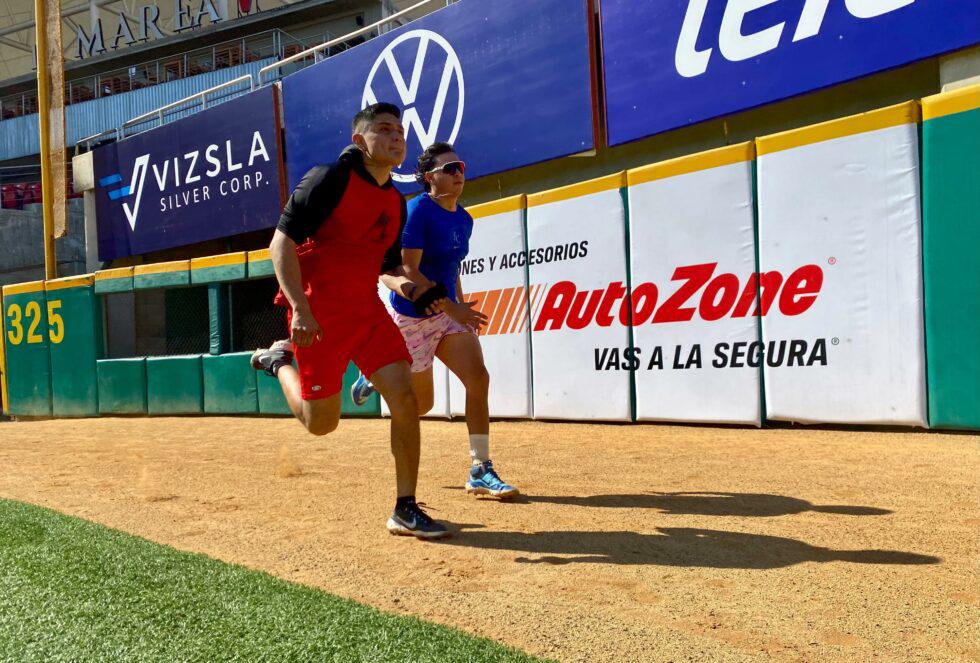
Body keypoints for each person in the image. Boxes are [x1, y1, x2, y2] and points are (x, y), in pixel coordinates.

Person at [250, 103, 449, 539]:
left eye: (400, 130)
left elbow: (390, 268)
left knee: (406, 399)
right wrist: (300, 310)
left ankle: (405, 508)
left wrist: (417, 290)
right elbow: (278, 246)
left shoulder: (395, 203)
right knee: (322, 424)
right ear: (360, 140)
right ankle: (277, 363)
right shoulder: (327, 178)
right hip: (318, 315)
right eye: (384, 130)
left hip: (368, 312)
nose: (396, 137)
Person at [352, 142, 520, 499]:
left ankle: (480, 468)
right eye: (450, 169)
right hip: (413, 316)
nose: (459, 173)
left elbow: (450, 267)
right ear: (430, 177)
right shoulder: (416, 212)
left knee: (478, 377)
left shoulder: (464, 218)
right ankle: (374, 379)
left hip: (446, 314)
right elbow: (409, 270)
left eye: (460, 166)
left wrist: (457, 306)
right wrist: (453, 308)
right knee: (422, 405)